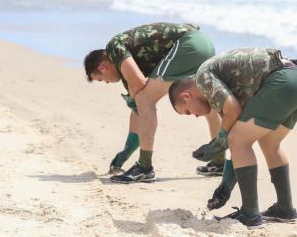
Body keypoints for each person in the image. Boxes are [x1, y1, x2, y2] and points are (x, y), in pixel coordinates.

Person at [168, 48, 297, 228]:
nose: (195, 116)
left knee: (239, 140)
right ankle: (285, 209)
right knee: (269, 143)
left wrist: (218, 143)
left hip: (281, 81)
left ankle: (250, 214)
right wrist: (226, 185)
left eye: (188, 111)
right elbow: (234, 139)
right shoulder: (220, 90)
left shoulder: (203, 78)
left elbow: (233, 126)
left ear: (186, 96)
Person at [84, 22, 225, 183]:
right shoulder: (132, 63)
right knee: (207, 104)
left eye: (102, 80)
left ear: (103, 67)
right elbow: (138, 110)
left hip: (188, 45)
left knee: (145, 98)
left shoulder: (113, 48)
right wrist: (126, 152)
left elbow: (140, 92)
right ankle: (219, 162)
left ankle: (144, 167)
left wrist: (136, 97)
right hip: (203, 43)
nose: (107, 83)